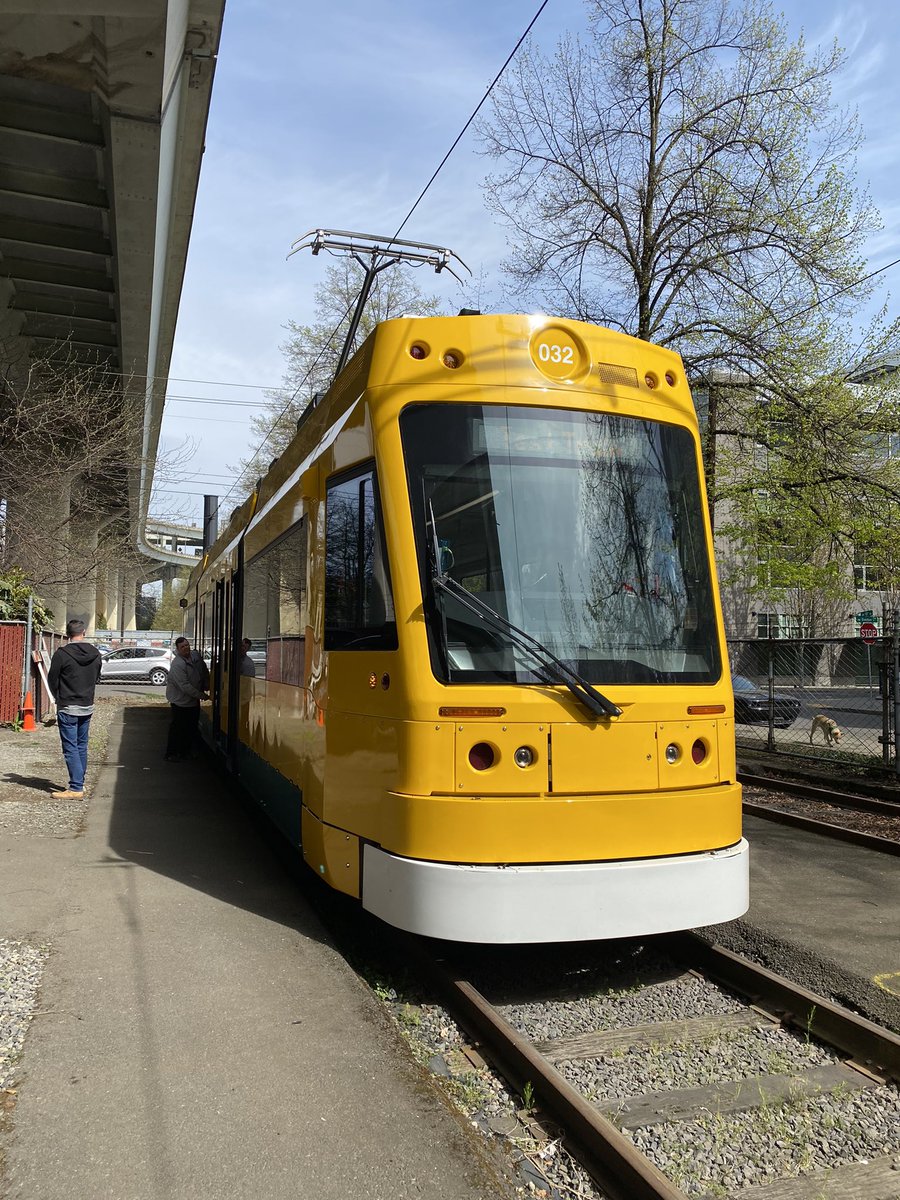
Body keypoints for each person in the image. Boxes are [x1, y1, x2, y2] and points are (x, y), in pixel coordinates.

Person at [47, 618, 103, 800]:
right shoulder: (95, 653)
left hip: (68, 706)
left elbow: (52, 679)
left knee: (70, 747)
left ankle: (76, 787)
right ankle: (80, 782)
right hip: (87, 705)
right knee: (81, 745)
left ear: (67, 634)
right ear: (84, 632)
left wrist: (58, 697)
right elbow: (97, 677)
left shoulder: (62, 654)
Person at [164, 636, 209, 761]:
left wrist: (206, 681)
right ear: (178, 650)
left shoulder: (195, 656)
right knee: (178, 728)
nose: (186, 648)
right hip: (180, 702)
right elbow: (185, 686)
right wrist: (202, 695)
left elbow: (203, 669)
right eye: (182, 647)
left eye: (187, 645)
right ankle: (171, 753)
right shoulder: (177, 664)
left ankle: (186, 752)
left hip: (193, 702)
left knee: (191, 728)